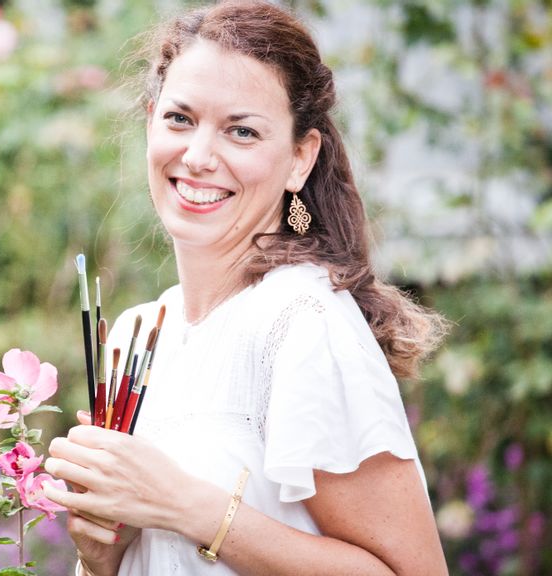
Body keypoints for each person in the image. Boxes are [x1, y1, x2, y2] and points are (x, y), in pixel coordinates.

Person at [41, 2, 450, 574]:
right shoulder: (137, 333)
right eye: (180, 119)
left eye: (242, 131)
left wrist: (188, 507)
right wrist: (102, 555)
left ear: (299, 160)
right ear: (151, 118)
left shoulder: (302, 320)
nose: (199, 156)